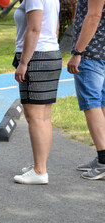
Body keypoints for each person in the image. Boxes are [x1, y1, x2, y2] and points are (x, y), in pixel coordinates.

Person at [13, 0, 62, 184]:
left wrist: (24, 63)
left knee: (34, 116)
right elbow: (55, 27)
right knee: (44, 116)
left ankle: (40, 171)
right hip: (51, 53)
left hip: (36, 56)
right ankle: (40, 165)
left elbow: (34, 28)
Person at [67, 0, 105, 180]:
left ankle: (103, 162)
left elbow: (94, 15)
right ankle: (102, 157)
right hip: (101, 52)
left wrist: (77, 52)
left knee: (91, 104)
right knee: (102, 103)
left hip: (91, 53)